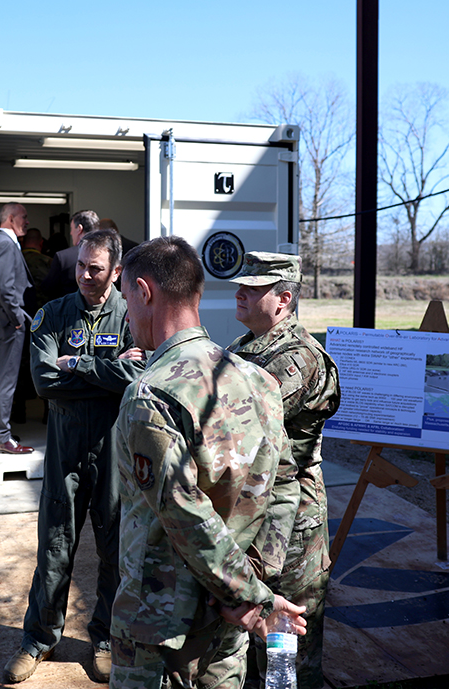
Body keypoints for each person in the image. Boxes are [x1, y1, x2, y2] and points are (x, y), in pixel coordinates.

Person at [110, 236, 306, 689]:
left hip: (160, 631)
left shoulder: (151, 394)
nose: (126, 314)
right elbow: (283, 488)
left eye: (125, 299)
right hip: (227, 624)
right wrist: (249, 588)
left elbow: (183, 512)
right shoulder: (258, 380)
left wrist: (248, 598)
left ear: (144, 292)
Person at [4, 229, 145, 684]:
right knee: (54, 546)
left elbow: (138, 374)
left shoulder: (131, 316)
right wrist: (109, 373)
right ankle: (38, 639)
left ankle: (105, 640)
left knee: (114, 549)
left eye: (95, 268)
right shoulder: (54, 314)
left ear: (116, 271)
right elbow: (44, 381)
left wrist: (77, 364)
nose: (84, 275)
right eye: (81, 265)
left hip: (113, 447)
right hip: (65, 449)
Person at [227, 252, 341, 689]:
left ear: (284, 299)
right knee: (250, 632)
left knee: (286, 652)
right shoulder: (245, 347)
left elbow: (237, 419)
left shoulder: (298, 358)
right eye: (241, 286)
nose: (240, 293)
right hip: (255, 514)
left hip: (292, 527)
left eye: (253, 288)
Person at [0, 203, 35, 453]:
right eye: (24, 217)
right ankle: (1, 437)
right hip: (8, 324)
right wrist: (17, 318)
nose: (27, 221)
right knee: (5, 381)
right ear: (11, 218)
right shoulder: (5, 243)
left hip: (2, 323)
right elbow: (5, 288)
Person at [41, 209, 99, 300]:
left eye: (72, 229)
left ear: (79, 229)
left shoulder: (63, 257)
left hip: (68, 307)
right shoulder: (108, 255)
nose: (71, 233)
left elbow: (48, 288)